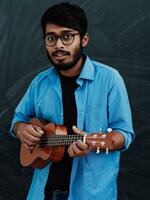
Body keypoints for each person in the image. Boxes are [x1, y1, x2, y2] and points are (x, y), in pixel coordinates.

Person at [10, 2, 134, 200]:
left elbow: (124, 134)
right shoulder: (40, 82)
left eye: (67, 36)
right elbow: (18, 119)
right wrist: (22, 129)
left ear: (84, 39)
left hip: (91, 194)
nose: (58, 45)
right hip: (42, 192)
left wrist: (95, 143)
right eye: (51, 38)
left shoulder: (110, 79)